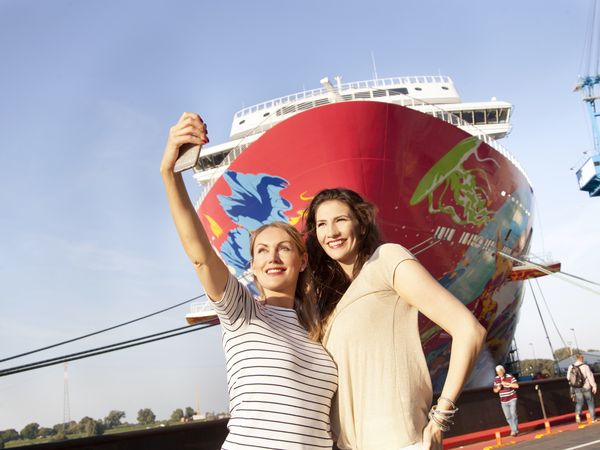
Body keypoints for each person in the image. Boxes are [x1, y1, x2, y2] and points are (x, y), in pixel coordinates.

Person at [161, 112, 338, 449]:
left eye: (284, 248)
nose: (272, 257)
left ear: (302, 261)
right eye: (262, 251)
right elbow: (201, 256)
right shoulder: (243, 312)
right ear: (253, 265)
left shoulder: (318, 325)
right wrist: (169, 174)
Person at [303, 188, 486, 450]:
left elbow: (469, 330)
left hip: (397, 440)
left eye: (340, 220)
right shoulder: (333, 303)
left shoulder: (386, 259)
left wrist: (441, 417)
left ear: (362, 225)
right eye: (322, 224)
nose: (331, 232)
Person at [567, 354, 597, 423]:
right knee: (590, 402)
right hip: (586, 387)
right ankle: (593, 419)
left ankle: (578, 417)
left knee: (579, 402)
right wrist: (594, 386)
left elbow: (568, 377)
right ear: (582, 359)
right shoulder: (585, 366)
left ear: (576, 359)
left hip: (577, 388)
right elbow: (590, 377)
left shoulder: (571, 366)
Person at [492, 365, 519, 436]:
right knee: (508, 417)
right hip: (503, 401)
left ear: (503, 371)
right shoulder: (496, 379)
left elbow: (516, 386)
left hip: (512, 398)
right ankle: (514, 430)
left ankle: (514, 430)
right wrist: (498, 388)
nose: (499, 374)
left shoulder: (510, 377)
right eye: (498, 372)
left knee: (513, 413)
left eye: (500, 372)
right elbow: (494, 390)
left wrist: (507, 384)